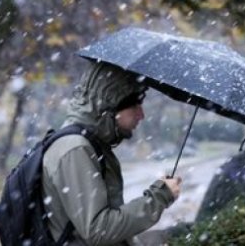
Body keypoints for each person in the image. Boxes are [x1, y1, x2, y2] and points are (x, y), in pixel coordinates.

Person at [41, 62, 182, 245]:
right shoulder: (75, 149)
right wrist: (159, 197)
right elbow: (99, 231)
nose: (141, 115)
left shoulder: (91, 144)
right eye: (135, 105)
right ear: (112, 103)